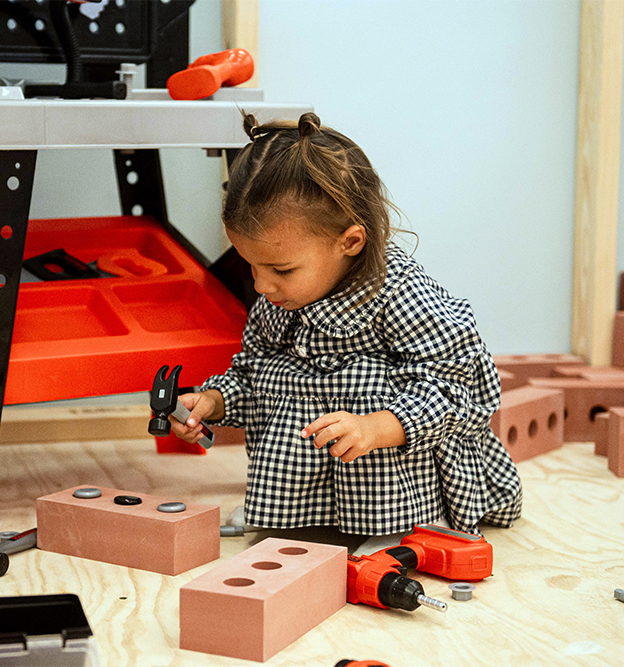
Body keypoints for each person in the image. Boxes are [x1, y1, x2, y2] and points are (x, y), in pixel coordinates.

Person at [171, 111, 522, 538]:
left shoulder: (400, 294)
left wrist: (376, 426)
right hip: (304, 489)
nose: (262, 285)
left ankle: (398, 528)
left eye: (280, 268)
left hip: (397, 490)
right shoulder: (279, 300)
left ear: (350, 242)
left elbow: (457, 391)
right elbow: (254, 376)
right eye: (251, 266)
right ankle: (302, 518)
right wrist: (213, 401)